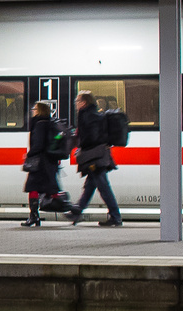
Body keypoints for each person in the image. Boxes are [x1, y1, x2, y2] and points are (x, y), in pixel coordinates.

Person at [70, 91, 123, 226]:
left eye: (77, 101)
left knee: (103, 187)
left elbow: (92, 136)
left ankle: (115, 216)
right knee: (91, 185)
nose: (76, 104)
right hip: (97, 155)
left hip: (95, 156)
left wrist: (81, 146)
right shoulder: (91, 114)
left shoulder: (88, 116)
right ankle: (77, 211)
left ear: (84, 102)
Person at [20, 100, 68, 227]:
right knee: (49, 188)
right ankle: (70, 208)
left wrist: (28, 154)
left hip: (40, 162)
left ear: (39, 111)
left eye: (34, 109)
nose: (32, 111)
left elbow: (38, 144)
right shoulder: (49, 123)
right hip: (49, 162)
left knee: (33, 188)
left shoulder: (39, 124)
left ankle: (34, 217)